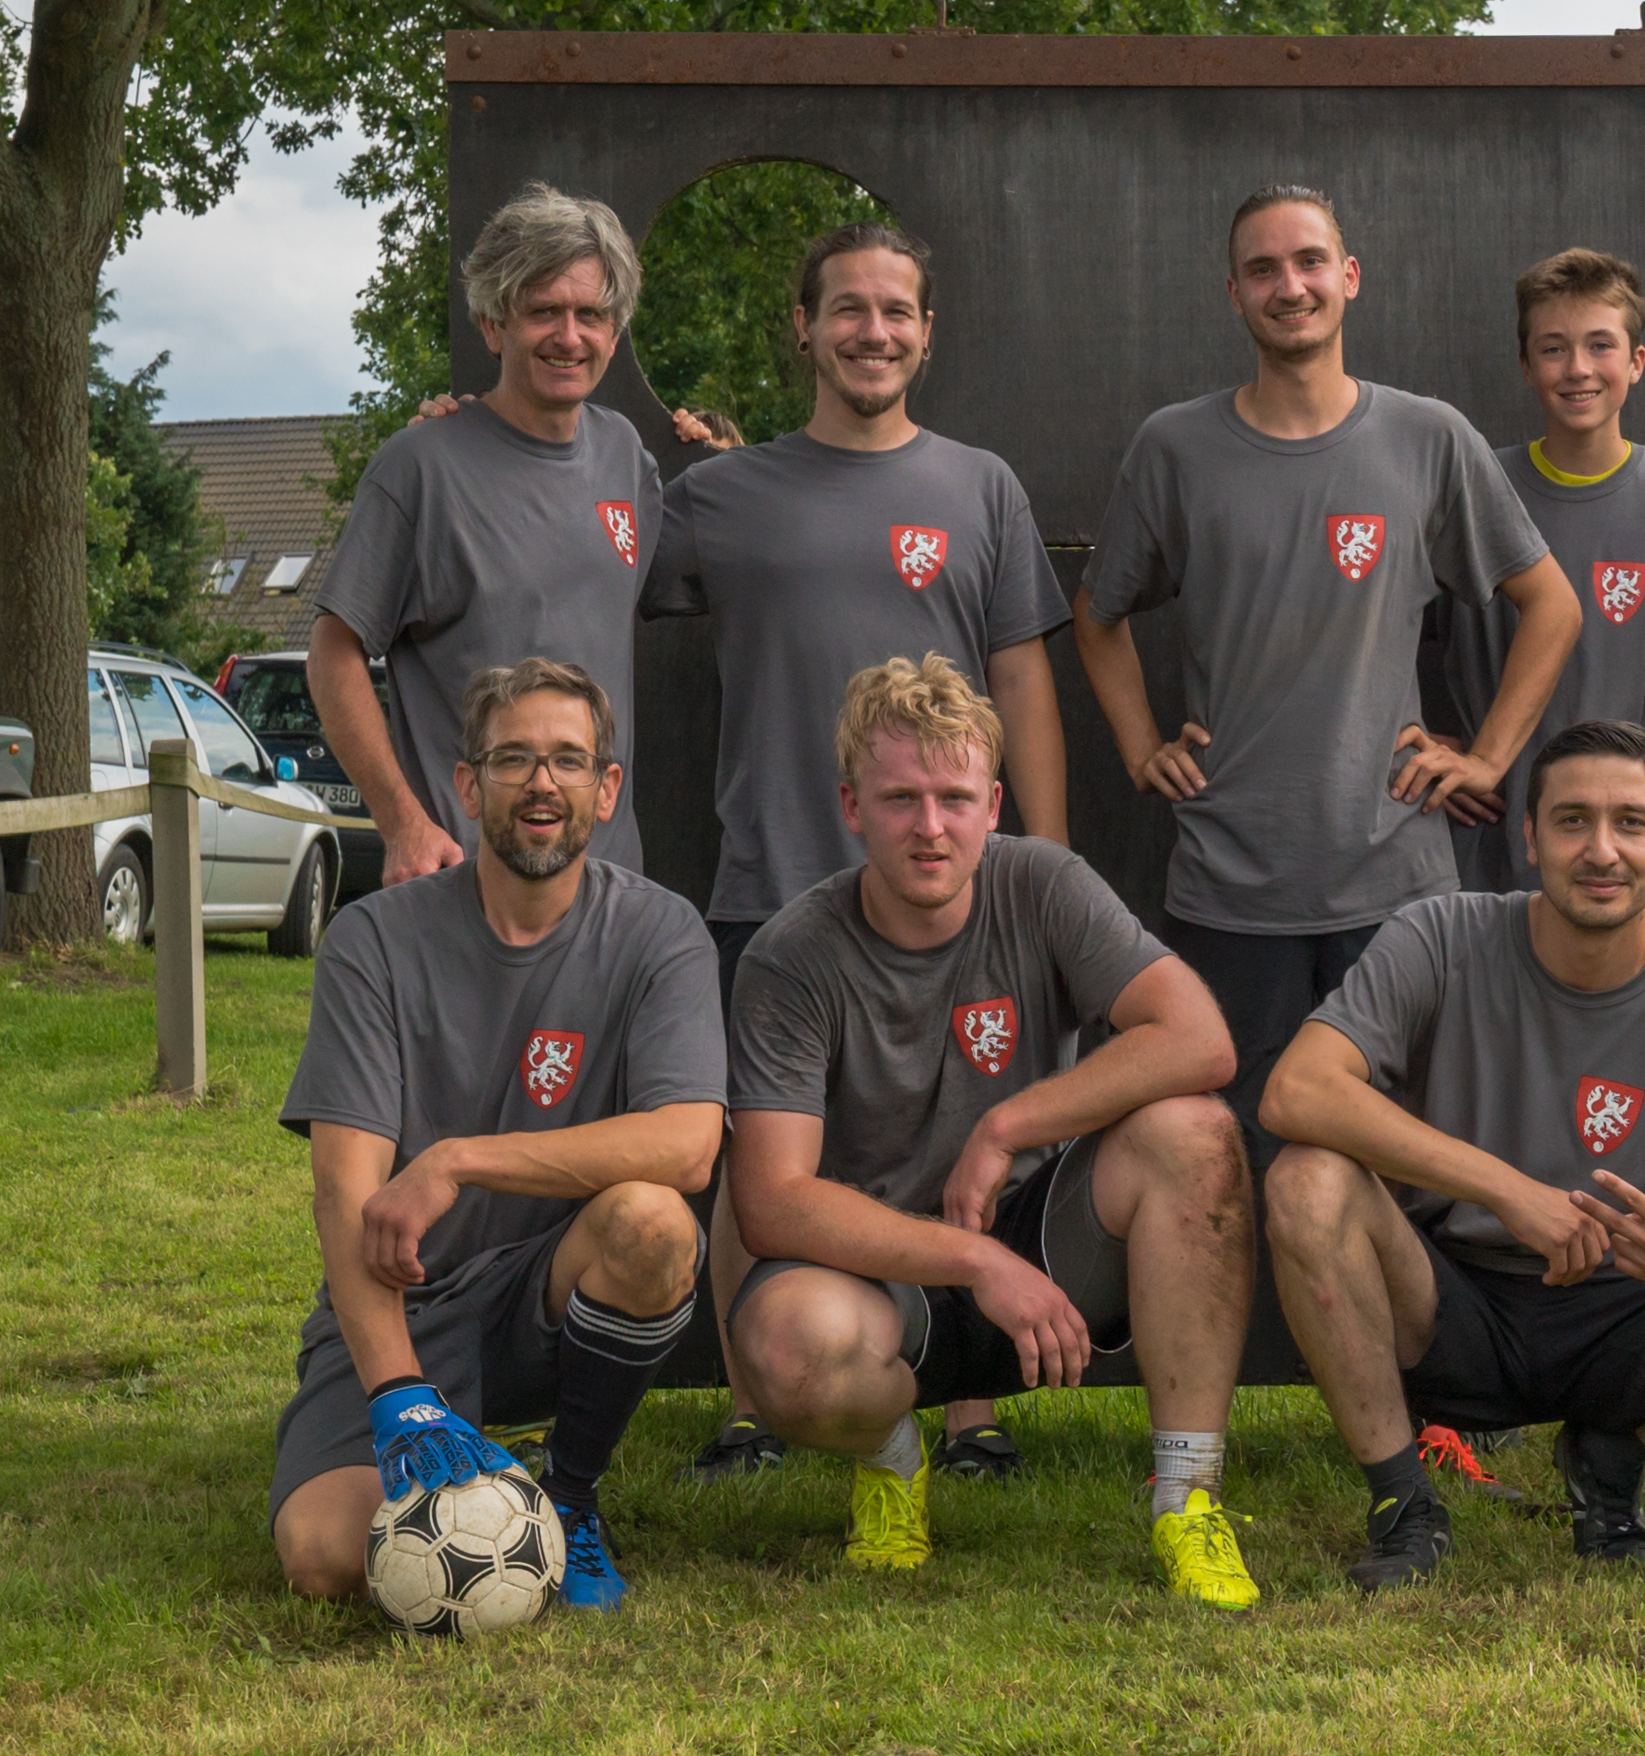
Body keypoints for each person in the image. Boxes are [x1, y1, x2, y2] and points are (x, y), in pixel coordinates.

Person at [638, 223, 1071, 1483]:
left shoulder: (981, 487)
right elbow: (579, 551)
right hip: (769, 877)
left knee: (956, 1137)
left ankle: (970, 1413)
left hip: (949, 890)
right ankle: (749, 1404)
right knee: (754, 1153)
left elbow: (1021, 676)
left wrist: (1042, 858)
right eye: (847, 309)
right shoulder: (717, 499)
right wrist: (473, 436)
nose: (871, 331)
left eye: (895, 311)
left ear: (926, 333)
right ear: (804, 326)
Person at [719, 656, 1262, 1607]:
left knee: (1197, 1133)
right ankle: (892, 1460)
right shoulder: (791, 955)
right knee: (787, 1345)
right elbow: (771, 1203)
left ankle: (1187, 1499)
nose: (930, 827)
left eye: (955, 799)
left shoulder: (1044, 883)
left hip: (1044, 1241)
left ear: (994, 805)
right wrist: (974, 1263)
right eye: (900, 799)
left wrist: (1009, 1125)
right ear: (851, 807)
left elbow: (1201, 1039)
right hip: (882, 1273)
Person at [1260, 721, 1645, 1590]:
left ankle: (1612, 1452)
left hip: (1622, 1306)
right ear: (1529, 838)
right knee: (1306, 1178)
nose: (1601, 850)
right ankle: (1403, 1503)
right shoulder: (1440, 935)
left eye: (1631, 823)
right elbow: (1295, 1091)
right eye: (1573, 821)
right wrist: (1510, 1191)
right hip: (1447, 1296)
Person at [1072, 183, 1582, 1165]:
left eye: (1309, 262)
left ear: (1349, 277)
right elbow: (1097, 621)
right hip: (1229, 885)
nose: (1290, 286)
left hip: (1394, 886)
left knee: (1408, 1167)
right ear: (1233, 293)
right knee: (1232, 1166)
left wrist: (1486, 759)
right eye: (1262, 269)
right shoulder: (1175, 447)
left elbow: (1552, 607)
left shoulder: (1427, 437)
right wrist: (1139, 747)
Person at [268, 659, 725, 1612]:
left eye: (568, 759)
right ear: (468, 786)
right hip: (409, 1298)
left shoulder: (662, 933)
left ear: (607, 788)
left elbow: (687, 1146)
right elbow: (345, 1194)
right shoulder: (372, 942)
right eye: (512, 759)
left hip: (550, 1294)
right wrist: (397, 1392)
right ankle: (450, 1433)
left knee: (653, 1223)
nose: (541, 783)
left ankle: (571, 1494)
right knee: (324, 1558)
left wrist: (458, 1160)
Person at [310, 184, 659, 885]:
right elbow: (332, 654)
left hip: (606, 888)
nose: (569, 337)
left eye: (591, 314)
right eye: (543, 311)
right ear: (493, 325)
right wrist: (403, 822)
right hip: (466, 883)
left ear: (615, 334)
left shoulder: (627, 459)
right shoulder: (420, 468)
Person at [1438, 249, 1645, 938]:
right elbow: (1394, 626)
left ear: (1636, 362)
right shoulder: (1477, 491)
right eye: (1553, 348)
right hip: (1496, 856)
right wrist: (1432, 735)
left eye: (1600, 345)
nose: (1577, 368)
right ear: (1526, 365)